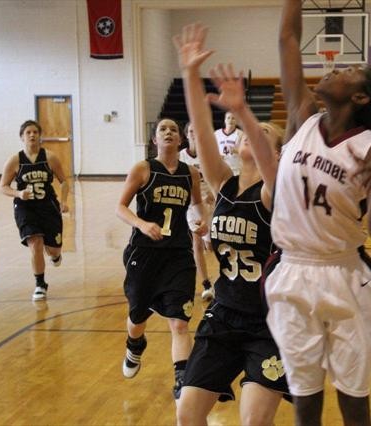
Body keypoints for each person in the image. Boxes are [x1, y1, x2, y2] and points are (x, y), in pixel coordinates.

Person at [260, 2, 371, 425]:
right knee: (304, 397)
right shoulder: (302, 116)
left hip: (345, 275)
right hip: (291, 271)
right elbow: (287, 39)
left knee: (354, 400)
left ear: (360, 97)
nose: (335, 68)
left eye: (349, 70)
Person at [173, 23, 289, 425]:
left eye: (263, 135)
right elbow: (202, 130)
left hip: (269, 323)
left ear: (276, 152)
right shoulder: (223, 183)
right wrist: (190, 74)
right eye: (247, 133)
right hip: (223, 314)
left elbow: (269, 166)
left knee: (253, 421)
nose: (250, 137)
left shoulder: (273, 191)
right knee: (187, 414)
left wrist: (243, 111)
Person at [116, 118, 207, 400]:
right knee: (137, 316)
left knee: (180, 322)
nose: (168, 132)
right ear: (155, 139)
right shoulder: (143, 169)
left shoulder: (190, 173)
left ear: (181, 140)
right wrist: (142, 224)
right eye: (162, 130)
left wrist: (203, 221)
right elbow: (120, 207)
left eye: (173, 130)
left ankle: (182, 380)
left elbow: (197, 204)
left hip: (178, 254)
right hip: (144, 253)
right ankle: (135, 345)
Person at [0, 120, 69, 301]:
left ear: (40, 136)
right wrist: (18, 193)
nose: (32, 135)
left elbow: (64, 181)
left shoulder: (50, 158)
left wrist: (63, 201)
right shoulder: (15, 160)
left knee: (53, 250)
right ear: (22, 137)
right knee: (35, 243)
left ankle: (55, 255)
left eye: (35, 132)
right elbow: (3, 186)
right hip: (25, 207)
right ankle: (40, 284)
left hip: (48, 206)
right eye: (28, 132)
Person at [179, 122, 215, 302]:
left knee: (212, 245)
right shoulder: (181, 157)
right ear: (186, 135)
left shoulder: (209, 154)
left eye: (197, 130)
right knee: (197, 243)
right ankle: (206, 284)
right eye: (191, 131)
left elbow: (219, 178)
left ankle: (226, 277)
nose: (194, 134)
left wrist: (214, 193)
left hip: (211, 203)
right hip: (193, 205)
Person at [214, 111, 243, 176]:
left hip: (236, 170)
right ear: (225, 120)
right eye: (228, 118)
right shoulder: (216, 134)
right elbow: (211, 151)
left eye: (233, 118)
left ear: (236, 121)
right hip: (221, 169)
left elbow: (246, 152)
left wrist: (235, 150)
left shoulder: (241, 134)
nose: (230, 120)